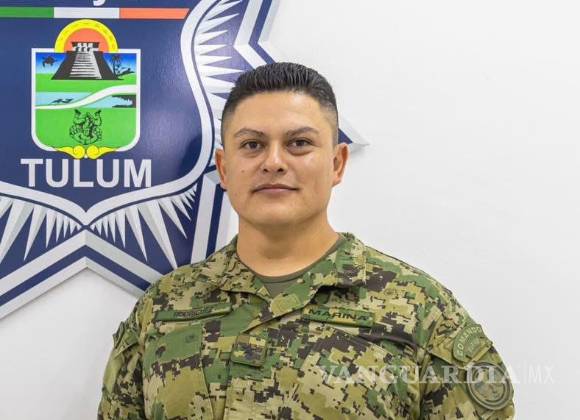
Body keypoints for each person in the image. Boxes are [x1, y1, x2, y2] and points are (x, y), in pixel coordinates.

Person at [98, 62, 515, 419]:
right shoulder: (164, 309)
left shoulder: (419, 310)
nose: (273, 162)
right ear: (224, 169)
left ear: (337, 163)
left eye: (299, 143)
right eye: (252, 145)